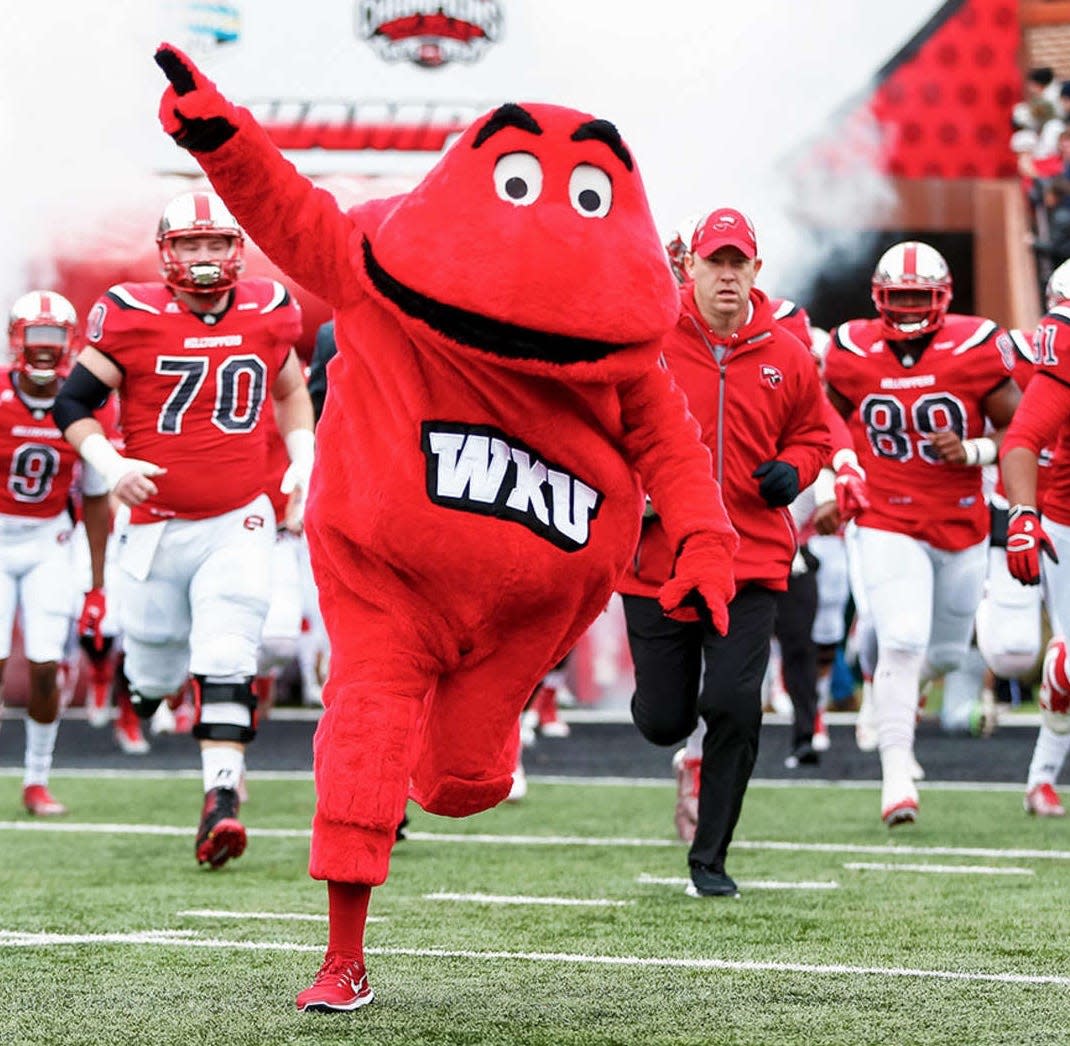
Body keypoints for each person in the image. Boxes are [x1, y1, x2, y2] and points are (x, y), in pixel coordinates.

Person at [154, 45, 741, 1013]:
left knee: (466, 777)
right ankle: (343, 957)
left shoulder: (619, 350)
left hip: (523, 609)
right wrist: (221, 135)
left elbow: (672, 446)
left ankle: (458, 755)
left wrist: (706, 542)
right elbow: (289, 209)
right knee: (366, 732)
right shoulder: (382, 265)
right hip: (392, 577)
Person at [53, 190, 316, 867]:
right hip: (155, 527)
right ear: (167, 252)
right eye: (191, 245)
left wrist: (302, 457)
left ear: (237, 248)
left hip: (238, 517)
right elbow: (74, 401)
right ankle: (145, 693)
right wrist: (109, 462)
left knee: (230, 647)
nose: (205, 258)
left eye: (216, 244)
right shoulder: (131, 314)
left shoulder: (267, 309)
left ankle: (220, 801)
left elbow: (290, 391)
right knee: (155, 666)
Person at [617, 207, 833, 897]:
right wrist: (636, 486)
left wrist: (796, 470)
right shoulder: (646, 338)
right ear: (690, 266)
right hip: (661, 559)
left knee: (736, 704)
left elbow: (816, 434)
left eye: (739, 262)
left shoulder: (788, 352)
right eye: (716, 261)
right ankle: (683, 755)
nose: (728, 275)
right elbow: (602, 424)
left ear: (757, 271)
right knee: (663, 719)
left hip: (750, 559)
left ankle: (709, 859)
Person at [825, 241, 1020, 827]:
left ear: (943, 298)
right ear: (879, 298)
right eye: (899, 296)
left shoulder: (978, 345)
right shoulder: (851, 347)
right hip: (888, 515)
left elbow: (1021, 428)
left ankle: (880, 679)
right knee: (906, 640)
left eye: (919, 297)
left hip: (960, 520)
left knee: (943, 652)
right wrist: (842, 465)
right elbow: (824, 413)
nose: (908, 307)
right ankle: (896, 775)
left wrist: (974, 450)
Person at [0, 291, 111, 814]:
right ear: (15, 338)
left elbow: (94, 497)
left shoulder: (80, 403)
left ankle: (36, 779)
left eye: (55, 339)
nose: (45, 351)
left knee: (46, 667)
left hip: (48, 541)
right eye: (35, 337)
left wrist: (95, 582)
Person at [1000, 257, 1070, 816]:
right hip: (1064, 517)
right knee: (1061, 662)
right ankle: (1041, 775)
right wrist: (1024, 514)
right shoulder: (1043, 354)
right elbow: (1019, 437)